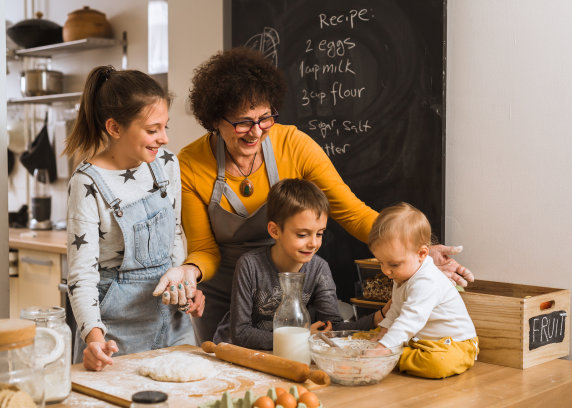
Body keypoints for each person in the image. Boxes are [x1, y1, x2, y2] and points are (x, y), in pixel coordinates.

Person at [176, 47, 474, 343]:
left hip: (286, 287)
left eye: (265, 118)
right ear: (215, 119)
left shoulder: (295, 145)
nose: (256, 132)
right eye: (242, 122)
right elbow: (205, 249)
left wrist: (415, 248)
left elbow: (352, 212)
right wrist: (191, 270)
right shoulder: (190, 163)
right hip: (223, 295)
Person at [63, 66, 205, 371]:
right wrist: (94, 340)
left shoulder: (166, 164)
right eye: (153, 130)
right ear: (114, 128)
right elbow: (81, 275)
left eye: (165, 127)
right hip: (114, 334)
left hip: (173, 325)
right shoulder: (86, 183)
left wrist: (185, 287)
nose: (164, 139)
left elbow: (175, 236)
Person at [213, 179, 390, 349]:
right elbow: (240, 333)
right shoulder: (249, 266)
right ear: (275, 231)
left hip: (283, 352)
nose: (313, 243)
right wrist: (302, 338)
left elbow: (333, 328)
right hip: (235, 352)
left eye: (319, 234)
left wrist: (379, 316)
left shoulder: (319, 269)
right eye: (302, 234)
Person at [367, 202, 479, 379]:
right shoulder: (402, 274)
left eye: (393, 264)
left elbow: (409, 319)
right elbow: (396, 310)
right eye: (381, 262)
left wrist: (383, 349)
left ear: (421, 254)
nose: (386, 271)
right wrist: (383, 334)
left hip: (454, 345)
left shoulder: (426, 281)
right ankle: (393, 350)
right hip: (421, 340)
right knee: (367, 337)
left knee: (438, 364)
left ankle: (395, 357)